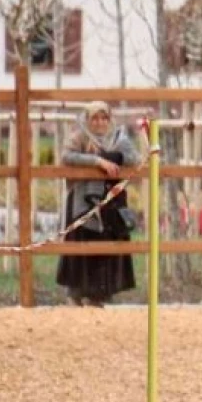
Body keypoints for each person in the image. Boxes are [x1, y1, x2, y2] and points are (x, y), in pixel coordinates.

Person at [55, 102, 140, 307]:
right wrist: (97, 161)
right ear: (88, 120)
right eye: (95, 118)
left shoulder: (119, 139)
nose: (100, 123)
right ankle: (77, 292)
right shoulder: (79, 137)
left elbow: (134, 158)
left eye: (104, 118)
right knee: (82, 241)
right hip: (83, 201)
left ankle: (99, 295)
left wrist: (115, 157)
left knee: (107, 243)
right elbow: (67, 156)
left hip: (111, 201)